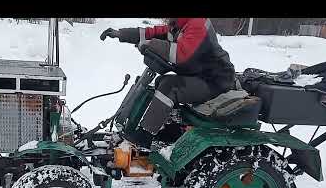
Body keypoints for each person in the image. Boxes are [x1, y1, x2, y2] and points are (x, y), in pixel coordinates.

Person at [101, 18, 236, 135]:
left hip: (215, 80)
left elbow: (180, 53)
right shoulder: (178, 25)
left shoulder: (198, 24)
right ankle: (167, 129)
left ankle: (145, 135)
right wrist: (121, 34)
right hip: (200, 75)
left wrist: (150, 44)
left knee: (170, 87)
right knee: (161, 82)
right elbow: (150, 33)